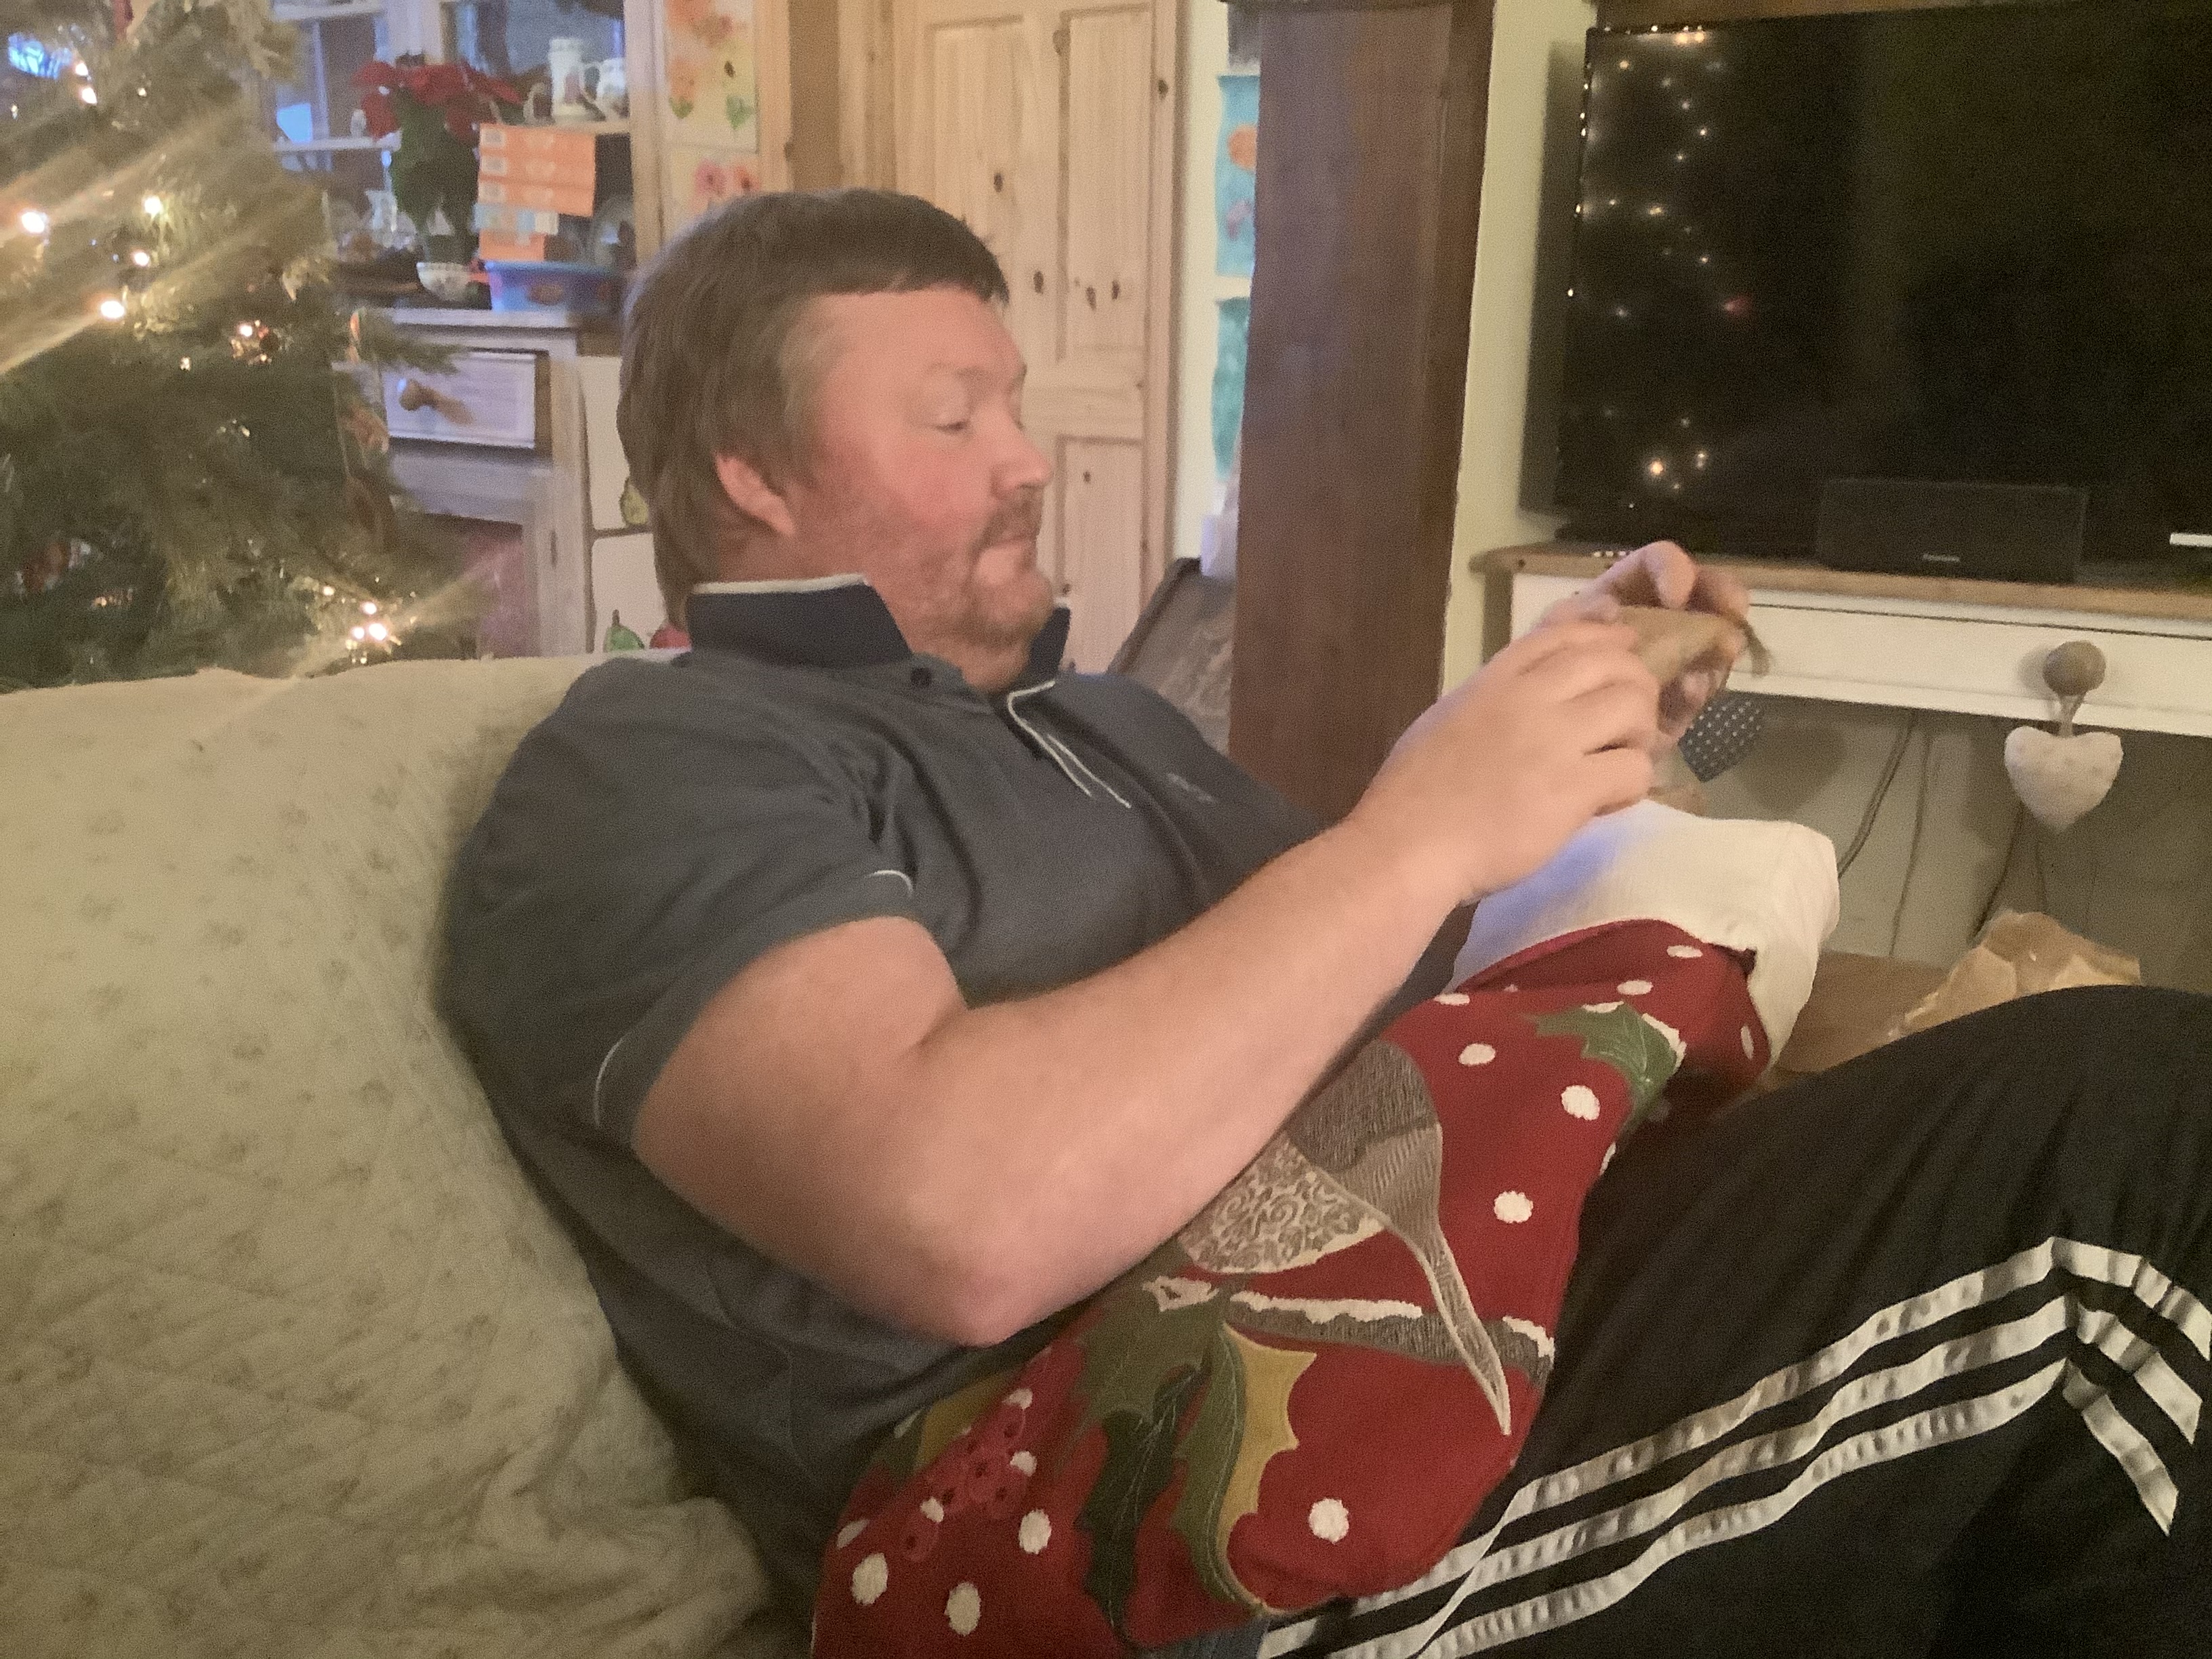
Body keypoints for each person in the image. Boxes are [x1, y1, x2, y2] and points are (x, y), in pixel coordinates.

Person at [441, 190, 2211, 1656]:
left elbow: (1374, 983)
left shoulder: (1094, 720)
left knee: (2090, 1122)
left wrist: (1545, 735)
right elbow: (960, 1219)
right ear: (752, 474)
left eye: (1016, 405)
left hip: (1446, 1293)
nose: (1030, 461)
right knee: (2123, 1136)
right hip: (1139, 1505)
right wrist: (1419, 828)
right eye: (952, 418)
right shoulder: (658, 762)